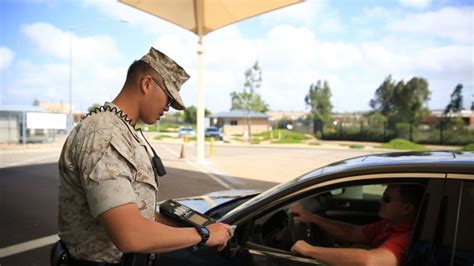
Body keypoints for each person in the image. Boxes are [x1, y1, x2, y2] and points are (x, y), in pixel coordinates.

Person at [56, 47, 233, 265]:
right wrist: (204, 236)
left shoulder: (123, 130)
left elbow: (137, 212)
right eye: (168, 99)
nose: (168, 108)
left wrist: (193, 226)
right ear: (147, 84)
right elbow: (130, 234)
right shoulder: (105, 133)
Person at [290, 184, 423, 266]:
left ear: (407, 209)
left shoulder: (407, 237)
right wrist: (312, 218)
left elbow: (370, 262)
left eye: (386, 199)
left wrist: (309, 250)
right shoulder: (389, 224)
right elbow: (354, 233)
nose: (380, 200)